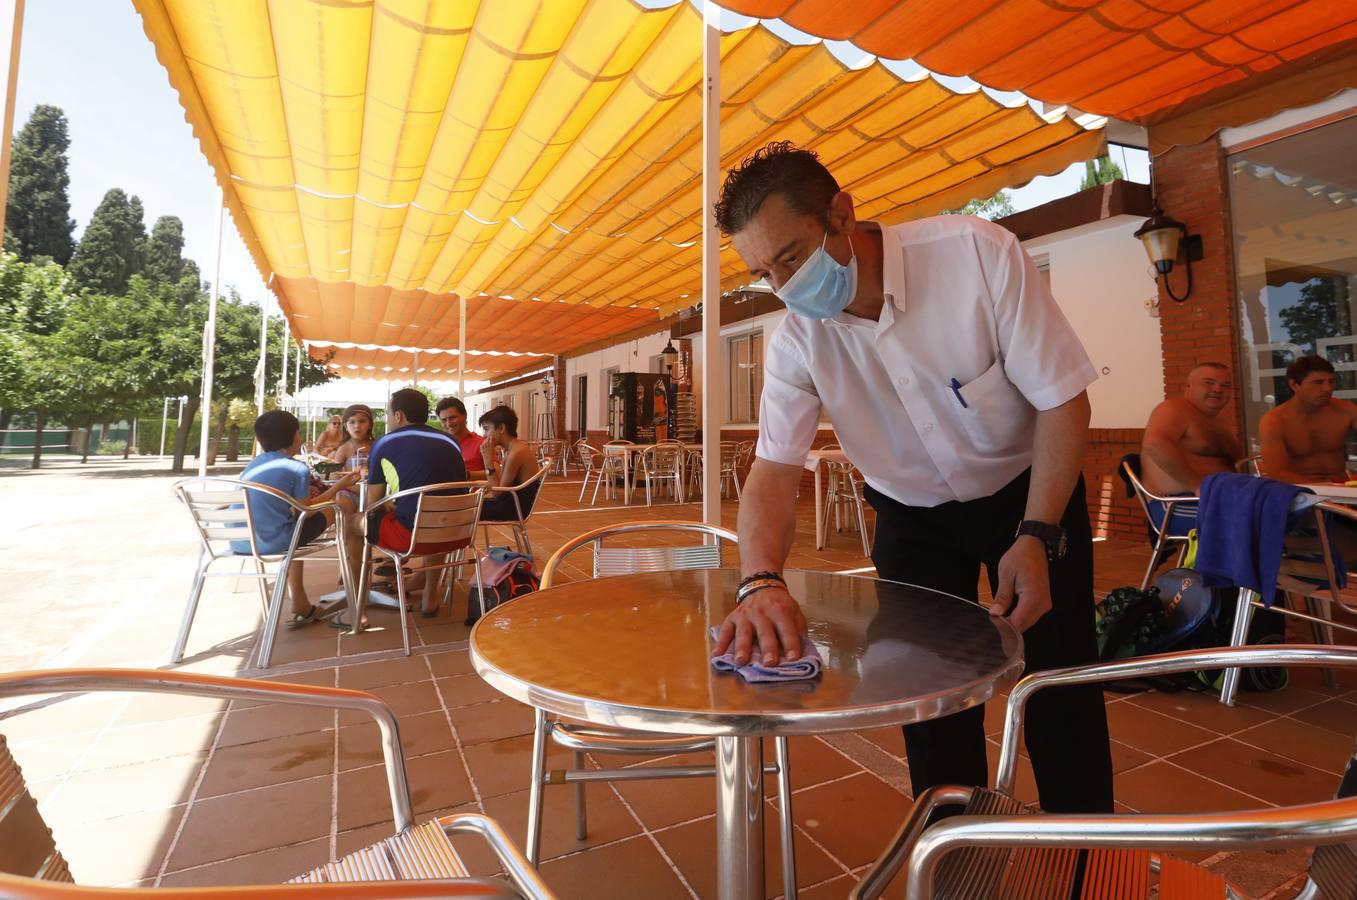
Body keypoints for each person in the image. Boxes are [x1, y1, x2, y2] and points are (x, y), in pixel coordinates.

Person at [710, 141, 1113, 813]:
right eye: (764, 273)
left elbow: (1062, 400)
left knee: (1058, 685)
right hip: (911, 514)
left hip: (1029, 492)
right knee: (927, 700)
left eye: (791, 257)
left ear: (840, 213)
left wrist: (1038, 533)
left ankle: (1093, 863)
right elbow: (773, 473)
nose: (784, 286)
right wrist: (760, 582)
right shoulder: (796, 341)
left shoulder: (974, 256)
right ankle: (955, 857)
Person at [231, 409, 361, 627]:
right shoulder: (296, 467)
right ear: (296, 436)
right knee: (339, 506)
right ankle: (352, 577)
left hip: (240, 541)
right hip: (274, 541)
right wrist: (339, 487)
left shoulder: (252, 465)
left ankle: (300, 601)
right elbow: (307, 510)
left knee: (294, 529)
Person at [365, 388, 468, 616]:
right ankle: (430, 597)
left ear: (399, 415)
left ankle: (356, 595)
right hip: (456, 533)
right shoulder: (451, 441)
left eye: (388, 413)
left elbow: (373, 501)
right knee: (436, 514)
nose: (388, 417)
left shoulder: (384, 443)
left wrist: (390, 504)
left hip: (409, 539)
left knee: (352, 522)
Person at [1141, 362, 1241, 495]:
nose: (1218, 389)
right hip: (1182, 503)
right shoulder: (1174, 409)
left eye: (1226, 385)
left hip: (1225, 496)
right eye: (1209, 383)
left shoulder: (1222, 422)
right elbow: (1154, 444)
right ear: (1188, 386)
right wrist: (1196, 487)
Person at [1260, 356, 1357, 484]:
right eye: (1318, 382)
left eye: (1331, 381)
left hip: (1341, 490)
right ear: (1294, 384)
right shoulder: (1274, 421)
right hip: (1299, 494)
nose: (1328, 388)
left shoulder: (1346, 410)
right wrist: (1321, 490)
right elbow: (1276, 473)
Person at [478, 405, 539, 522]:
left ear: (501, 428)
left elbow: (497, 493)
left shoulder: (517, 452)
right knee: (466, 504)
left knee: (463, 508)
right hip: (510, 504)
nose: (484, 435)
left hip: (514, 509)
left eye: (486, 429)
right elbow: (499, 486)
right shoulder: (512, 449)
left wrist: (487, 460)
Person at [435, 396, 486, 476]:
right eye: (444, 420)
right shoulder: (438, 445)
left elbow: (496, 473)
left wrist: (466, 475)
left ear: (465, 416)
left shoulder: (482, 444)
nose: (449, 424)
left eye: (452, 418)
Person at [329, 403, 375, 471]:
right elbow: (335, 473)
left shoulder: (376, 446)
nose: (357, 426)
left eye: (362, 421)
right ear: (346, 426)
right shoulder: (344, 449)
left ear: (370, 424)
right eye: (352, 422)